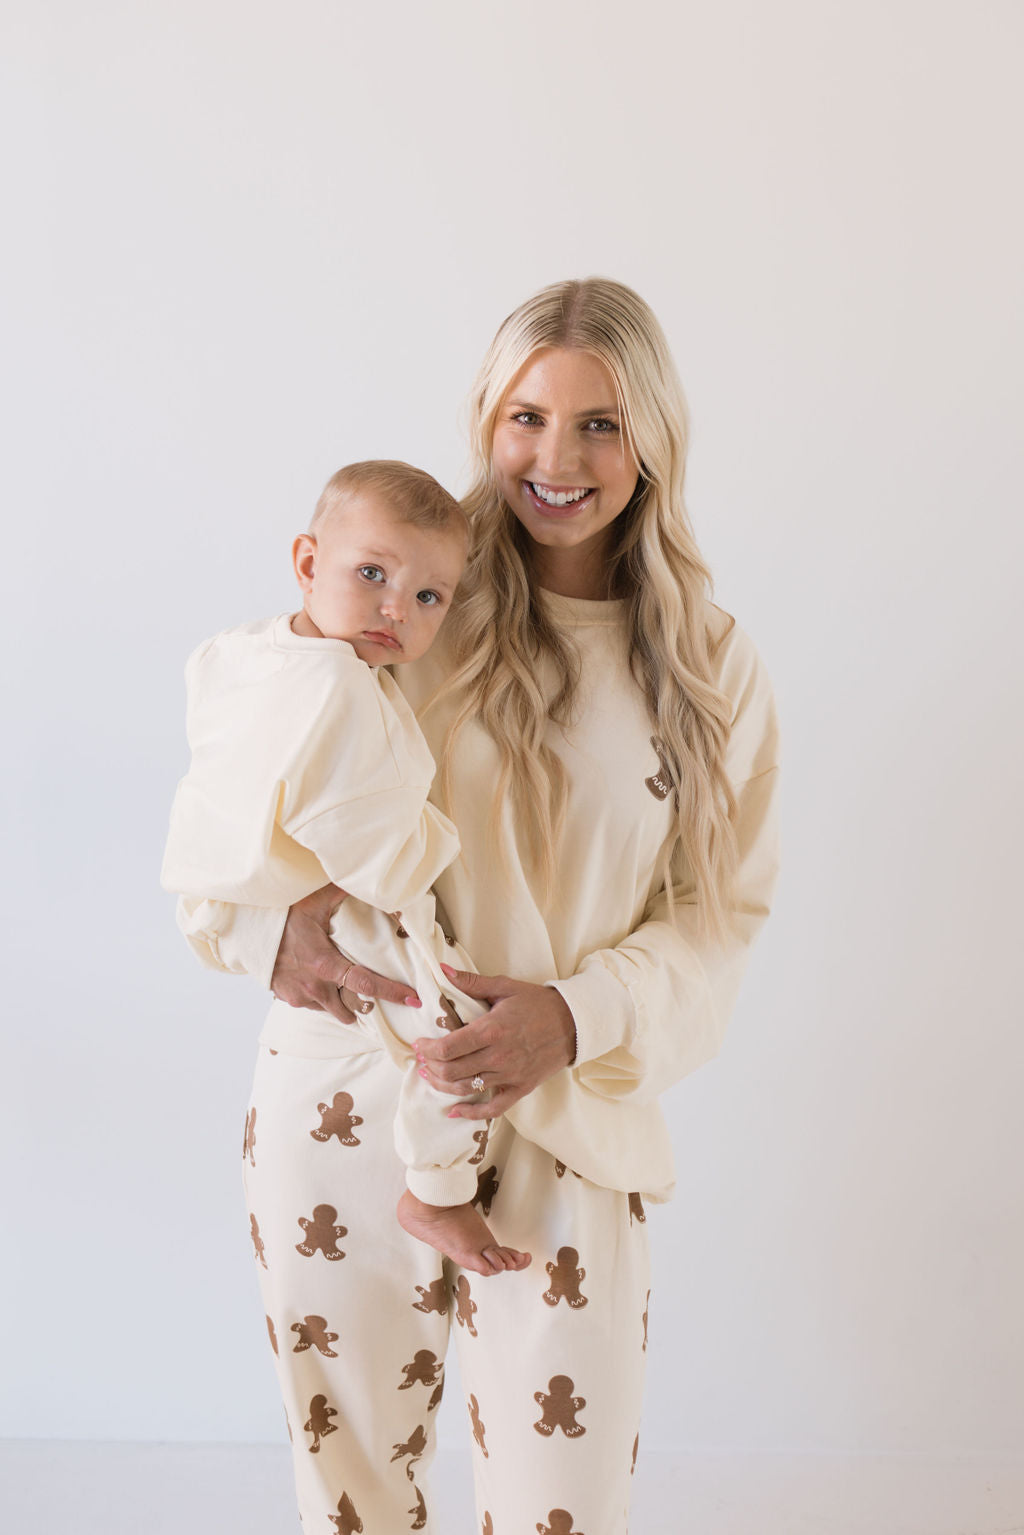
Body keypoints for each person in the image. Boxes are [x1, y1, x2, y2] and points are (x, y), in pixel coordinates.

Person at [174, 277, 781, 1535]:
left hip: (564, 1126)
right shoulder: (411, 594)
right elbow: (243, 759)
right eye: (526, 417)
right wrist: (256, 928)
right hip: (345, 1096)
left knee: (563, 1509)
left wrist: (570, 1013)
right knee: (350, 1503)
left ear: (654, 438)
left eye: (600, 424)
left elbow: (718, 917)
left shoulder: (712, 665)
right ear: (485, 419)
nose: (555, 459)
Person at [162, 459, 531, 1276]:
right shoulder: (342, 690)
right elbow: (382, 854)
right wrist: (438, 844)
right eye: (373, 574)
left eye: (430, 596)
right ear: (306, 563)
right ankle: (437, 1193)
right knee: (457, 1030)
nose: (397, 609)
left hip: (221, 891)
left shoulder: (239, 650)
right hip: (329, 910)